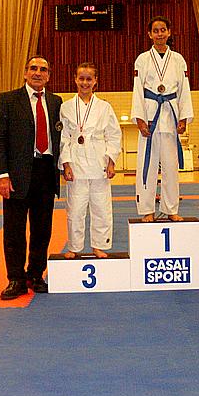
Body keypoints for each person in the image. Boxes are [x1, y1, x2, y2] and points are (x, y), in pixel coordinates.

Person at [0, 55, 62, 300]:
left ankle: (35, 274)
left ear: (48, 76)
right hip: (17, 174)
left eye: (43, 69)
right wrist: (2, 174)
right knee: (14, 230)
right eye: (33, 68)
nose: (38, 73)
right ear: (25, 73)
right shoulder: (8, 100)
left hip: (46, 171)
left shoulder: (56, 102)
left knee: (42, 229)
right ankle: (16, 279)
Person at [131, 15, 193, 222]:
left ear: (169, 32)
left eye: (163, 30)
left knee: (170, 168)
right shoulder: (142, 59)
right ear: (150, 34)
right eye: (155, 31)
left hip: (170, 116)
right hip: (150, 116)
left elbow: (184, 90)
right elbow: (137, 90)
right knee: (147, 165)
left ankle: (171, 208)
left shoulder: (178, 59)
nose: (159, 34)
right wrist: (139, 118)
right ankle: (147, 209)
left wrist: (183, 117)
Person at [59, 63, 121, 259]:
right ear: (75, 80)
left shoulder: (104, 107)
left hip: (99, 162)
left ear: (95, 81)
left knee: (101, 208)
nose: (85, 82)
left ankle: (99, 245)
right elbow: (64, 138)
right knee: (75, 210)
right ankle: (74, 247)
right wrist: (66, 164)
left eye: (89, 79)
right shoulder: (66, 107)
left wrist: (111, 161)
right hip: (76, 163)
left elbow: (114, 135)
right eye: (81, 78)